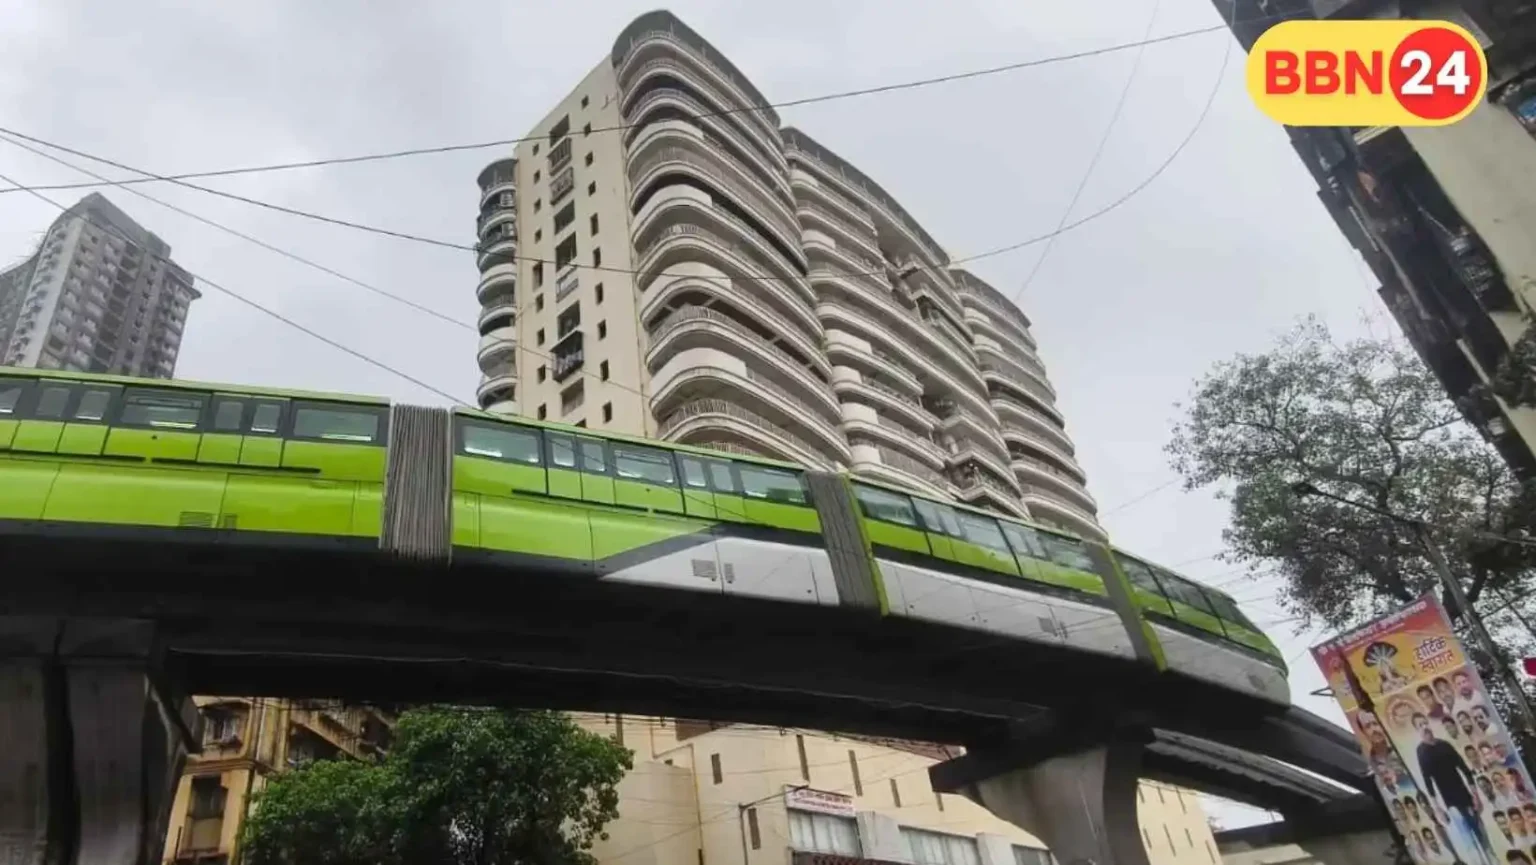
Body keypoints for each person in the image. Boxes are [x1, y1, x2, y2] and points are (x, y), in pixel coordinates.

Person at [1414, 712, 1498, 864]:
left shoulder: (1444, 745)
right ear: (1417, 730)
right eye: (1420, 725)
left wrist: (1475, 795)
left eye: (1425, 723)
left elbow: (1464, 769)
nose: (1425, 727)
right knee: (1468, 841)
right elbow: (1428, 781)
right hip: (1448, 802)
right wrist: (1437, 808)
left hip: (1465, 795)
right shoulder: (1421, 751)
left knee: (1482, 835)